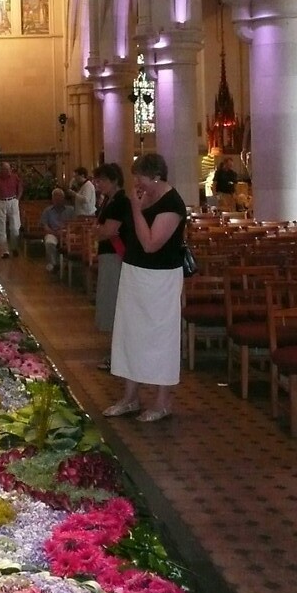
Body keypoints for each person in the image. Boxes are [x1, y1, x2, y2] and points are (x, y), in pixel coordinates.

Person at [104, 152, 187, 423]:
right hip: (134, 272)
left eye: (140, 177)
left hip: (160, 278)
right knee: (130, 333)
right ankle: (130, 398)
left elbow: (151, 244)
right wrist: (135, 208)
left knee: (160, 337)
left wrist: (137, 210)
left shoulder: (172, 204)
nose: (136, 183)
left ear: (155, 176)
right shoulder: (141, 196)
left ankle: (162, 402)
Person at [92, 163, 132, 335]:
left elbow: (108, 231)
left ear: (114, 180)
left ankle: (116, 336)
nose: (98, 184)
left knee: (111, 294)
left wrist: (99, 231)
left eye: (102, 181)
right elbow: (100, 229)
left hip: (115, 254)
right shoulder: (109, 200)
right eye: (97, 181)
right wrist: (99, 231)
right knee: (106, 294)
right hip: (107, 252)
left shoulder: (120, 201)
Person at [0, 160, 23, 258]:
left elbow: (20, 188)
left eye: (9, 169)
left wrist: (17, 199)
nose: (8, 171)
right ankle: (5, 251)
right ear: (2, 170)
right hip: (0, 202)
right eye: (5, 169)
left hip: (12, 201)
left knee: (15, 228)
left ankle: (14, 247)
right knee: (1, 228)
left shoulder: (14, 177)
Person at [40, 187, 74, 273]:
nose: (57, 200)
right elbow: (45, 226)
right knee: (49, 242)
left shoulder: (71, 210)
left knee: (73, 240)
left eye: (60, 197)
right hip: (52, 232)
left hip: (67, 233)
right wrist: (54, 233)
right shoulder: (47, 211)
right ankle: (53, 264)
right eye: (55, 198)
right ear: (52, 199)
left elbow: (74, 224)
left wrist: (65, 231)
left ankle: (67, 262)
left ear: (63, 198)